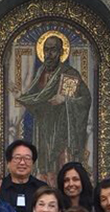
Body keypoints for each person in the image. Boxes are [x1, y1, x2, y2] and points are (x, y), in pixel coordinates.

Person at [15, 35, 92, 178]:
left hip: (63, 129)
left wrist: (65, 100)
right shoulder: (41, 72)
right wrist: (24, 98)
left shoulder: (69, 73)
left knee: (62, 163)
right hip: (44, 126)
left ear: (61, 52)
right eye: (46, 50)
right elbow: (35, 95)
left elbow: (86, 99)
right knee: (45, 166)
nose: (48, 54)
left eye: (53, 50)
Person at [0, 140, 46, 212]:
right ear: (8, 163)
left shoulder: (42, 189)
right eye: (17, 158)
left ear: (33, 163)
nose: (22, 162)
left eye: (27, 158)